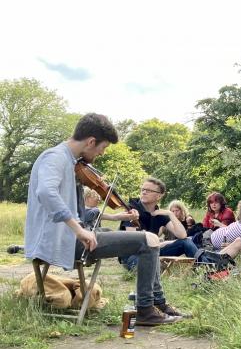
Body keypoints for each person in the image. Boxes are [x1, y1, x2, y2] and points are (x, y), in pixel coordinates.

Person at [24, 113, 185, 325]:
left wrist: (107, 218)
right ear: (91, 141)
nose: (102, 153)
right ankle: (146, 310)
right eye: (103, 148)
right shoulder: (55, 157)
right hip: (63, 241)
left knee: (144, 238)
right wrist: (79, 230)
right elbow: (46, 192)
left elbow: (72, 206)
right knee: (149, 240)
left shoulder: (68, 161)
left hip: (70, 237)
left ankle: (158, 303)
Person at [119, 177, 198, 269]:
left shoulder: (159, 214)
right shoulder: (132, 210)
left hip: (152, 252)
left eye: (148, 190)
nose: (144, 192)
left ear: (159, 196)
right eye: (143, 189)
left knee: (186, 242)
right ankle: (159, 266)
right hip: (133, 256)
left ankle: (206, 268)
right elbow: (135, 243)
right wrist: (164, 243)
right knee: (151, 267)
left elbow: (182, 235)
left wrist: (170, 214)